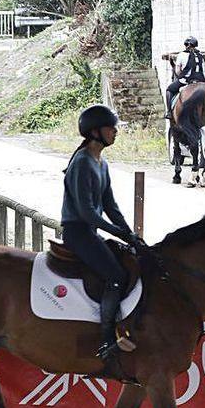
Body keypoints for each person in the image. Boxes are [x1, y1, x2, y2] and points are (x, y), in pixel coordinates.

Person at [60, 104, 148, 360]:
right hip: (78, 232)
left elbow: (111, 206)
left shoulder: (101, 163)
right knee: (116, 276)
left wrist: (132, 235)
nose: (115, 132)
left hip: (90, 232)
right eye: (111, 128)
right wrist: (120, 235)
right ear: (96, 131)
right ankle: (108, 339)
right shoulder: (82, 162)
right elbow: (88, 213)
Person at [164, 36, 205, 120]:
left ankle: (169, 112)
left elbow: (178, 71)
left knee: (169, 90)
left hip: (186, 81)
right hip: (200, 82)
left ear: (186, 45)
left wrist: (181, 75)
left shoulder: (181, 55)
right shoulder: (200, 55)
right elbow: (202, 69)